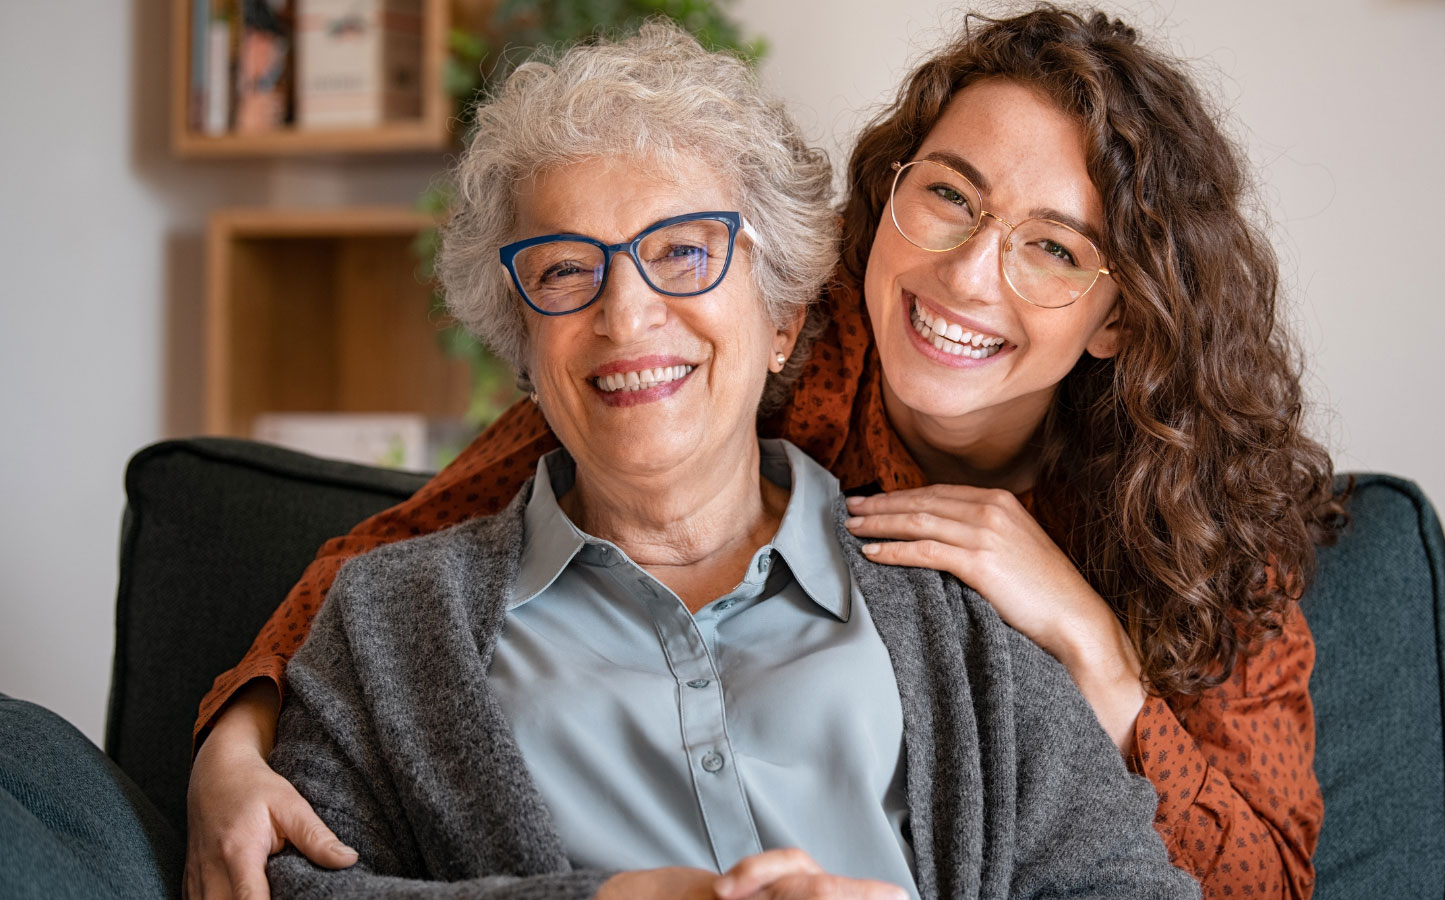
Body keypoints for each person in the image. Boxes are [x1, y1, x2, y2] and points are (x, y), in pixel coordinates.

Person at [186, 6, 1343, 899]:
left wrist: (1085, 641)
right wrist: (235, 740)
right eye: (948, 196)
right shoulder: (791, 349)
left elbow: (1236, 880)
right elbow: (397, 557)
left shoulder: (1174, 535)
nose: (967, 275)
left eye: (1053, 247)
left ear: (1119, 316)